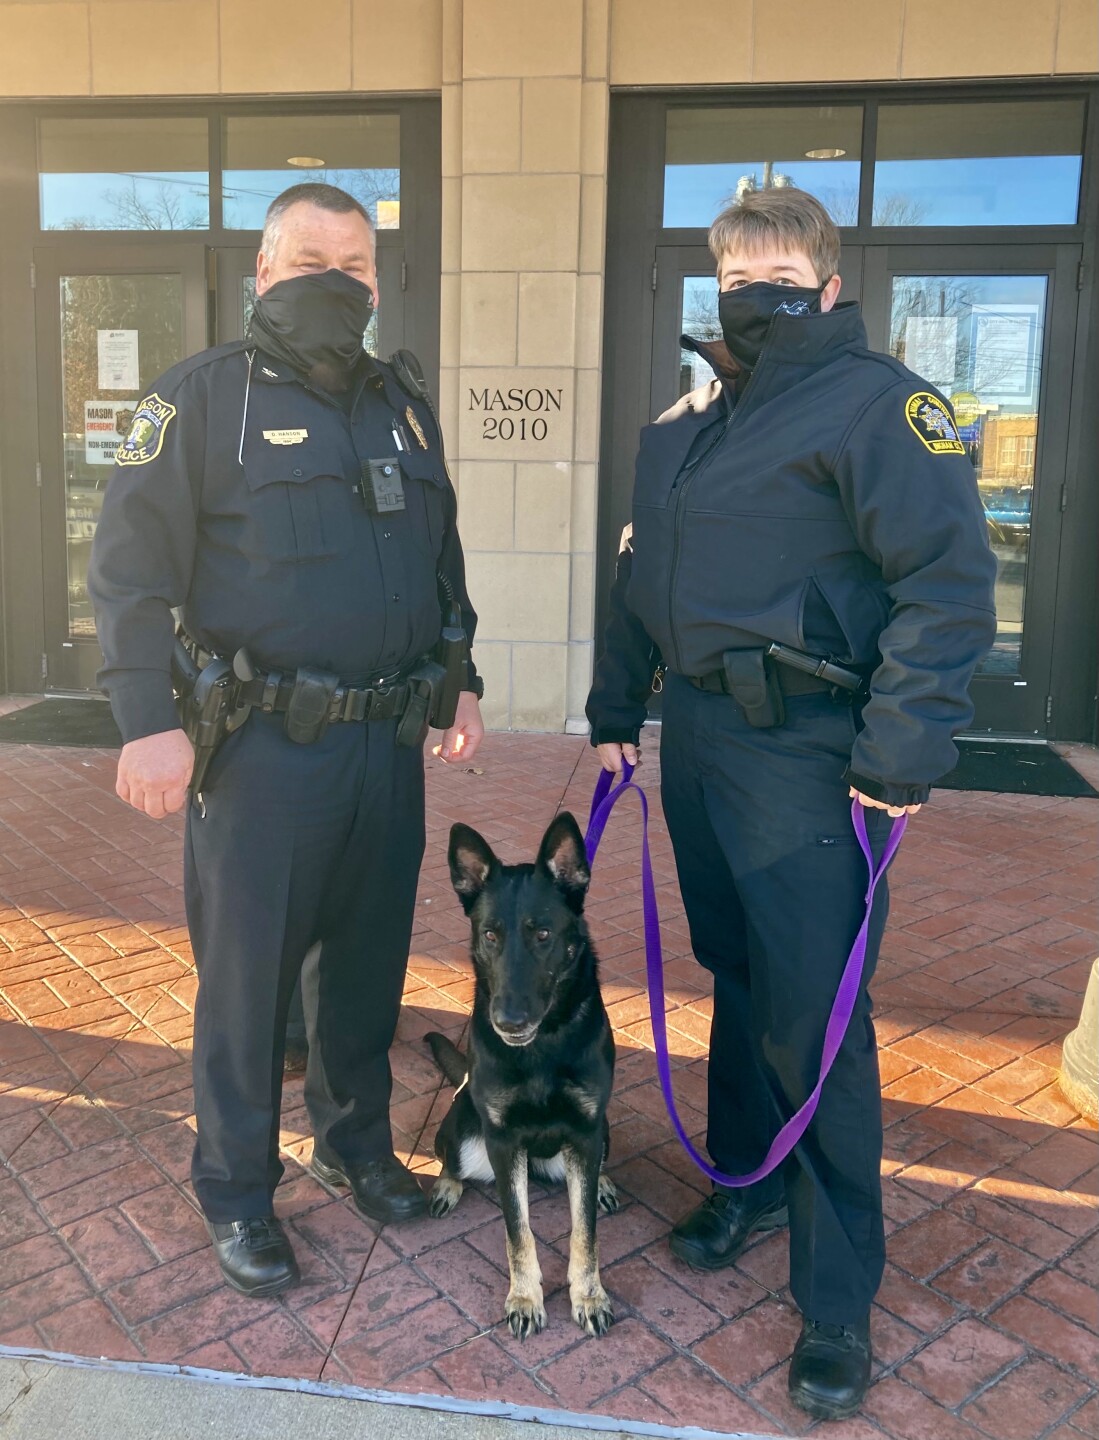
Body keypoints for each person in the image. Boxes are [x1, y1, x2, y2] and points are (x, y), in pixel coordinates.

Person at [586, 188, 995, 1420]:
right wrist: (616, 709)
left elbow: (949, 588)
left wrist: (900, 752)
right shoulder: (690, 423)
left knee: (818, 1020)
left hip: (818, 756)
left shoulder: (880, 404)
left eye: (774, 266)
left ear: (824, 282)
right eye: (732, 267)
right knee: (743, 977)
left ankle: (834, 1296)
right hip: (704, 741)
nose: (749, 285)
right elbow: (636, 572)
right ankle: (749, 1182)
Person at [89, 182, 484, 1299]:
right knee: (248, 987)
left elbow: (439, 562)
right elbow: (126, 575)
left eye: (355, 266)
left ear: (375, 282)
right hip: (260, 755)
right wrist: (146, 722)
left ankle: (354, 1147)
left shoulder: (401, 404)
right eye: (311, 259)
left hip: (383, 746)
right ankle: (236, 1187)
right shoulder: (202, 402)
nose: (335, 280)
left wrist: (461, 684)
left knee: (364, 969)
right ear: (262, 273)